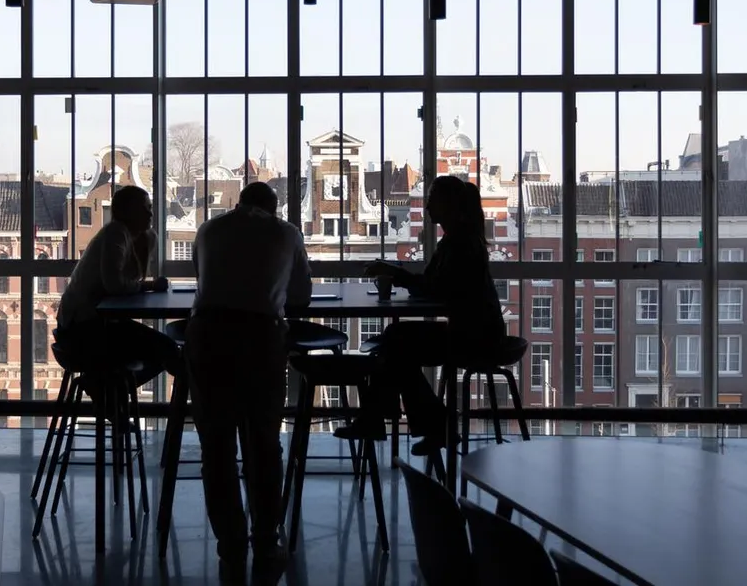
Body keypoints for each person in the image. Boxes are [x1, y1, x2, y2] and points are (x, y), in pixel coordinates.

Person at [187, 181, 312, 584]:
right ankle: (265, 539)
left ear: (239, 203)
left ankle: (231, 544)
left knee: (217, 448)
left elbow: (202, 279)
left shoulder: (208, 229)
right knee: (262, 445)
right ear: (274, 209)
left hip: (207, 336)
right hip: (260, 339)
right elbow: (301, 297)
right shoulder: (287, 233)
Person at [340, 175, 506, 455]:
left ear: (448, 205)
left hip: (474, 337)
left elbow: (435, 288)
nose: (427, 207)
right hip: (477, 331)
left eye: (432, 200)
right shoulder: (457, 240)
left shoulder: (458, 244)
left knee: (396, 343)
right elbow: (434, 286)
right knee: (397, 344)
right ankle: (414, 422)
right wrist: (403, 277)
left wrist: (396, 274)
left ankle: (392, 420)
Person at [56, 184, 177, 384]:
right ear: (127, 212)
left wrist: (147, 245)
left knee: (164, 350)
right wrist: (149, 286)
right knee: (168, 350)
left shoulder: (136, 236)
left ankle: (110, 389)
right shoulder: (115, 233)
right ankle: (106, 387)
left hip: (88, 324)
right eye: (144, 208)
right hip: (83, 328)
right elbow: (115, 285)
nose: (150, 213)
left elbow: (127, 281)